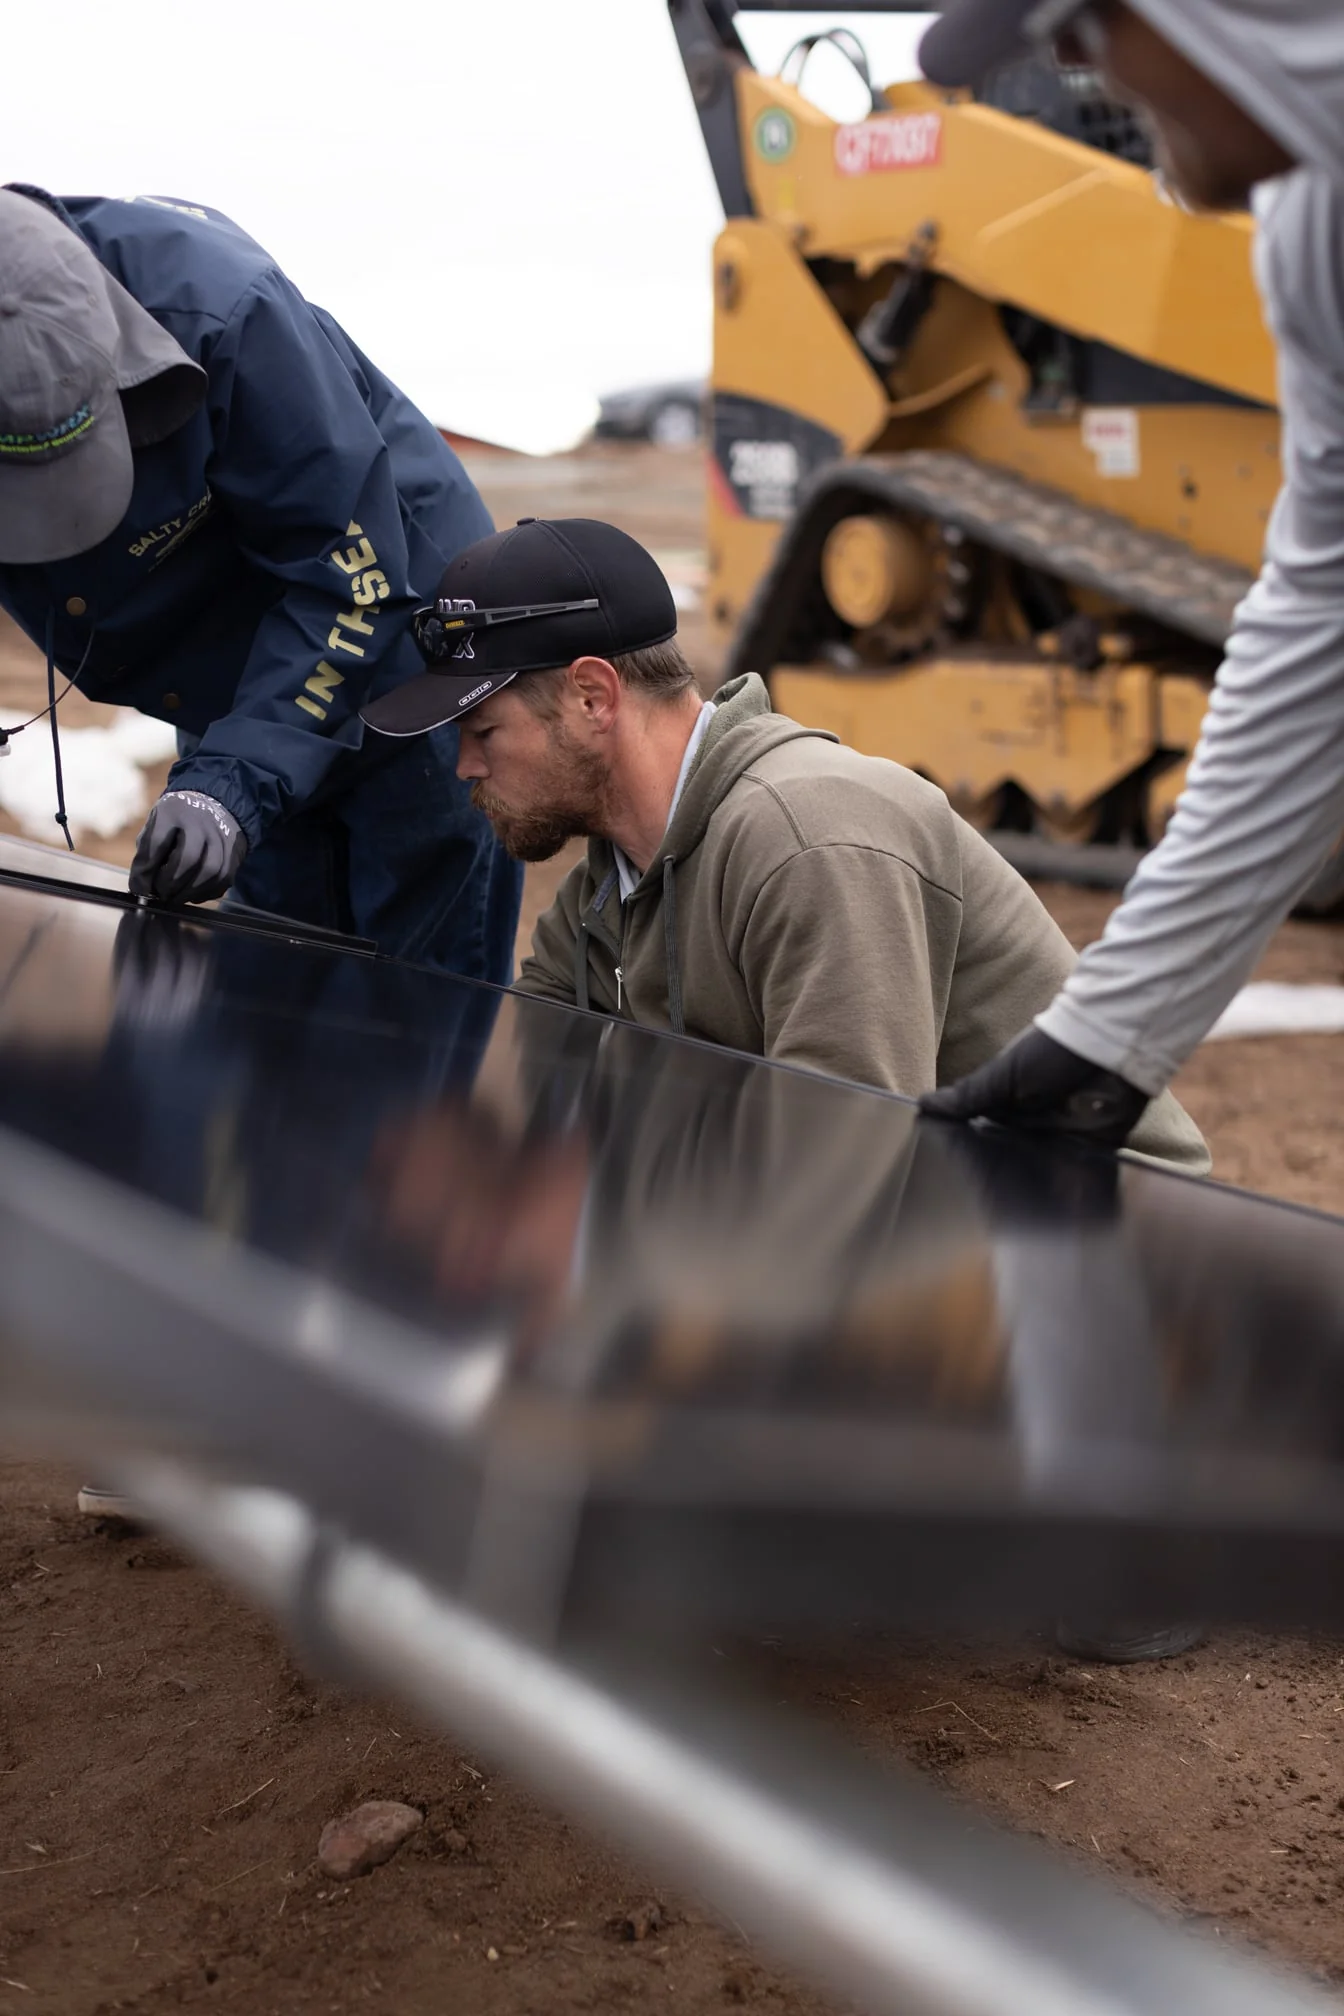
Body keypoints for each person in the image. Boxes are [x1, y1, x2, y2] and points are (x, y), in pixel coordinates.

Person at [361, 514, 1208, 1174]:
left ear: (592, 697)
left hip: (1103, 1258)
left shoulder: (809, 839)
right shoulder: (609, 885)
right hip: (944, 1238)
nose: (465, 765)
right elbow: (529, 1069)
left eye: (482, 728)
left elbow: (836, 1167)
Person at [914, 0, 1344, 1145]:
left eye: (1091, 19)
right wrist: (1106, 1033)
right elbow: (1326, 613)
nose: (1064, 61)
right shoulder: (1318, 234)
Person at [0, 184, 521, 979]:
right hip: (232, 678)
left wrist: (230, 784)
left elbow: (349, 584)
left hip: (408, 644)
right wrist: (231, 774)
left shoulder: (225, 313)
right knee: (266, 988)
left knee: (412, 995)